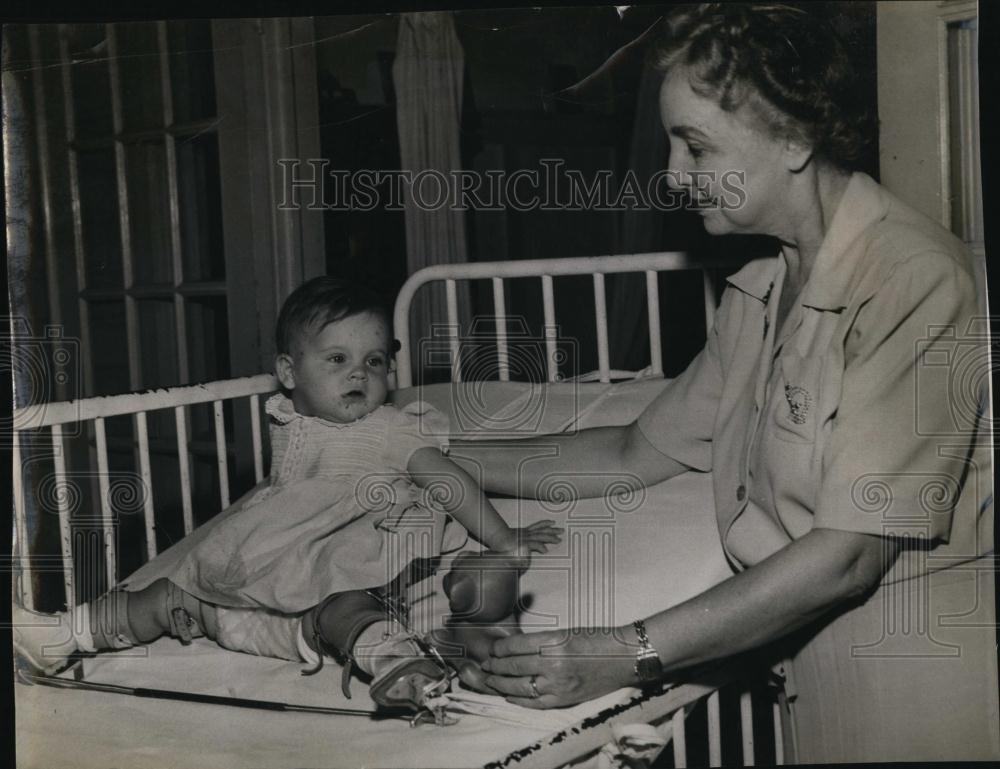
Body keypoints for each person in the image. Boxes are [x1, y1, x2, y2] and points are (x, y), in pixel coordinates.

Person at [449, 4, 996, 761]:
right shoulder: (760, 289)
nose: (675, 177)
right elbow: (633, 452)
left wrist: (624, 650)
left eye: (696, 147)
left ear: (795, 139)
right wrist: (441, 455)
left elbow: (849, 553)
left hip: (917, 691)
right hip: (807, 677)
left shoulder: (912, 280)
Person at [14, 277, 562, 712]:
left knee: (348, 605)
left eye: (374, 361)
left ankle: (394, 660)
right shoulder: (287, 417)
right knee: (169, 594)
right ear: (288, 371)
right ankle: (65, 633)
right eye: (337, 359)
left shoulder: (391, 429)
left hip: (340, 575)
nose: (360, 375)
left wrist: (503, 537)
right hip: (263, 585)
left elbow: (448, 481)